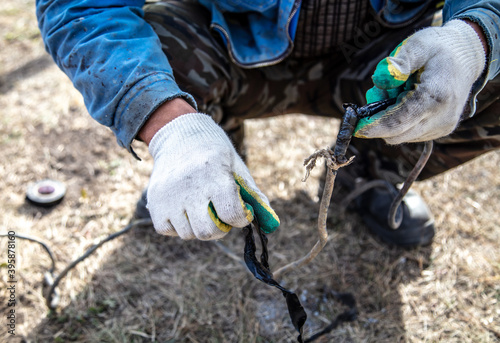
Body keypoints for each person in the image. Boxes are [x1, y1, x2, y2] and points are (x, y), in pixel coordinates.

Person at [36, 0, 499, 247]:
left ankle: (370, 176)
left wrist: (476, 37)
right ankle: (207, 162)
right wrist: (169, 125)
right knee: (157, 54)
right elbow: (81, 5)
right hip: (231, 49)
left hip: (381, 60)